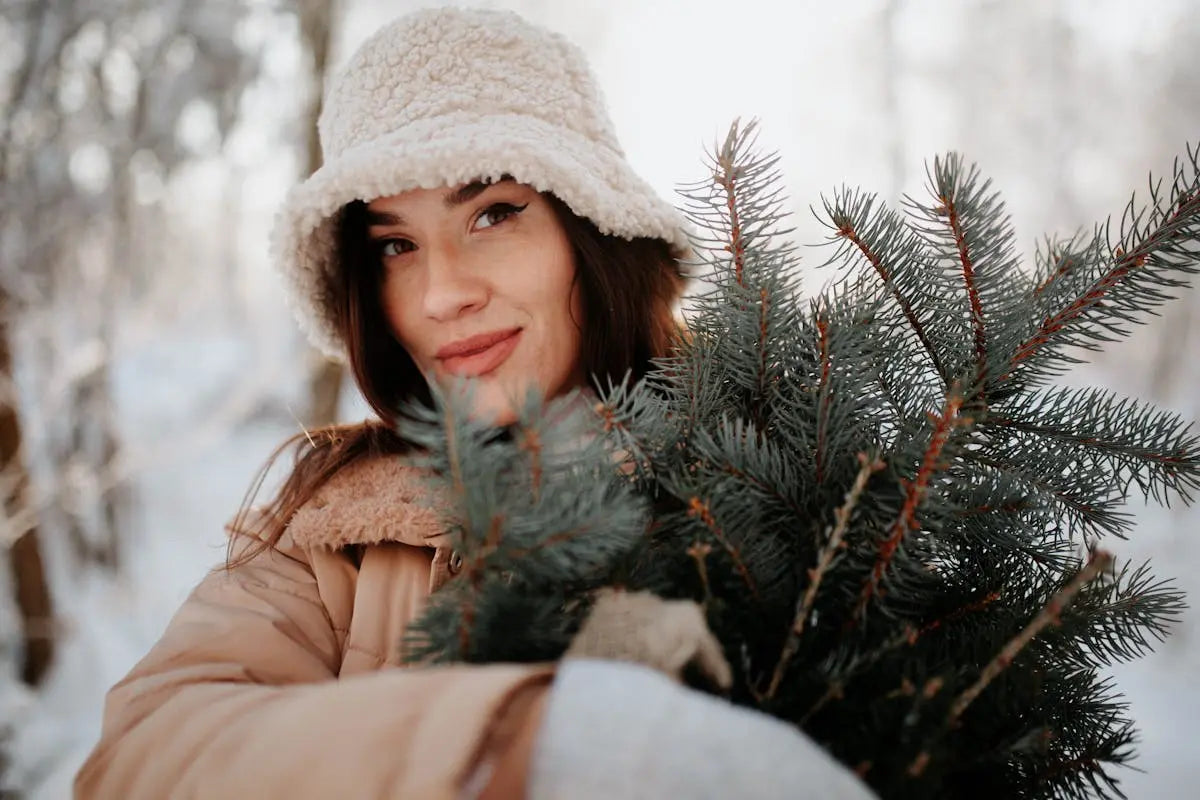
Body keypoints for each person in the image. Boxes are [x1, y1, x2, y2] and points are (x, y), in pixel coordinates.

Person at [74, 7, 878, 799]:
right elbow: (145, 754)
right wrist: (527, 740)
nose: (441, 294)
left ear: (590, 230)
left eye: (493, 213)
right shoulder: (332, 530)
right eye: (396, 245)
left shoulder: (809, 483)